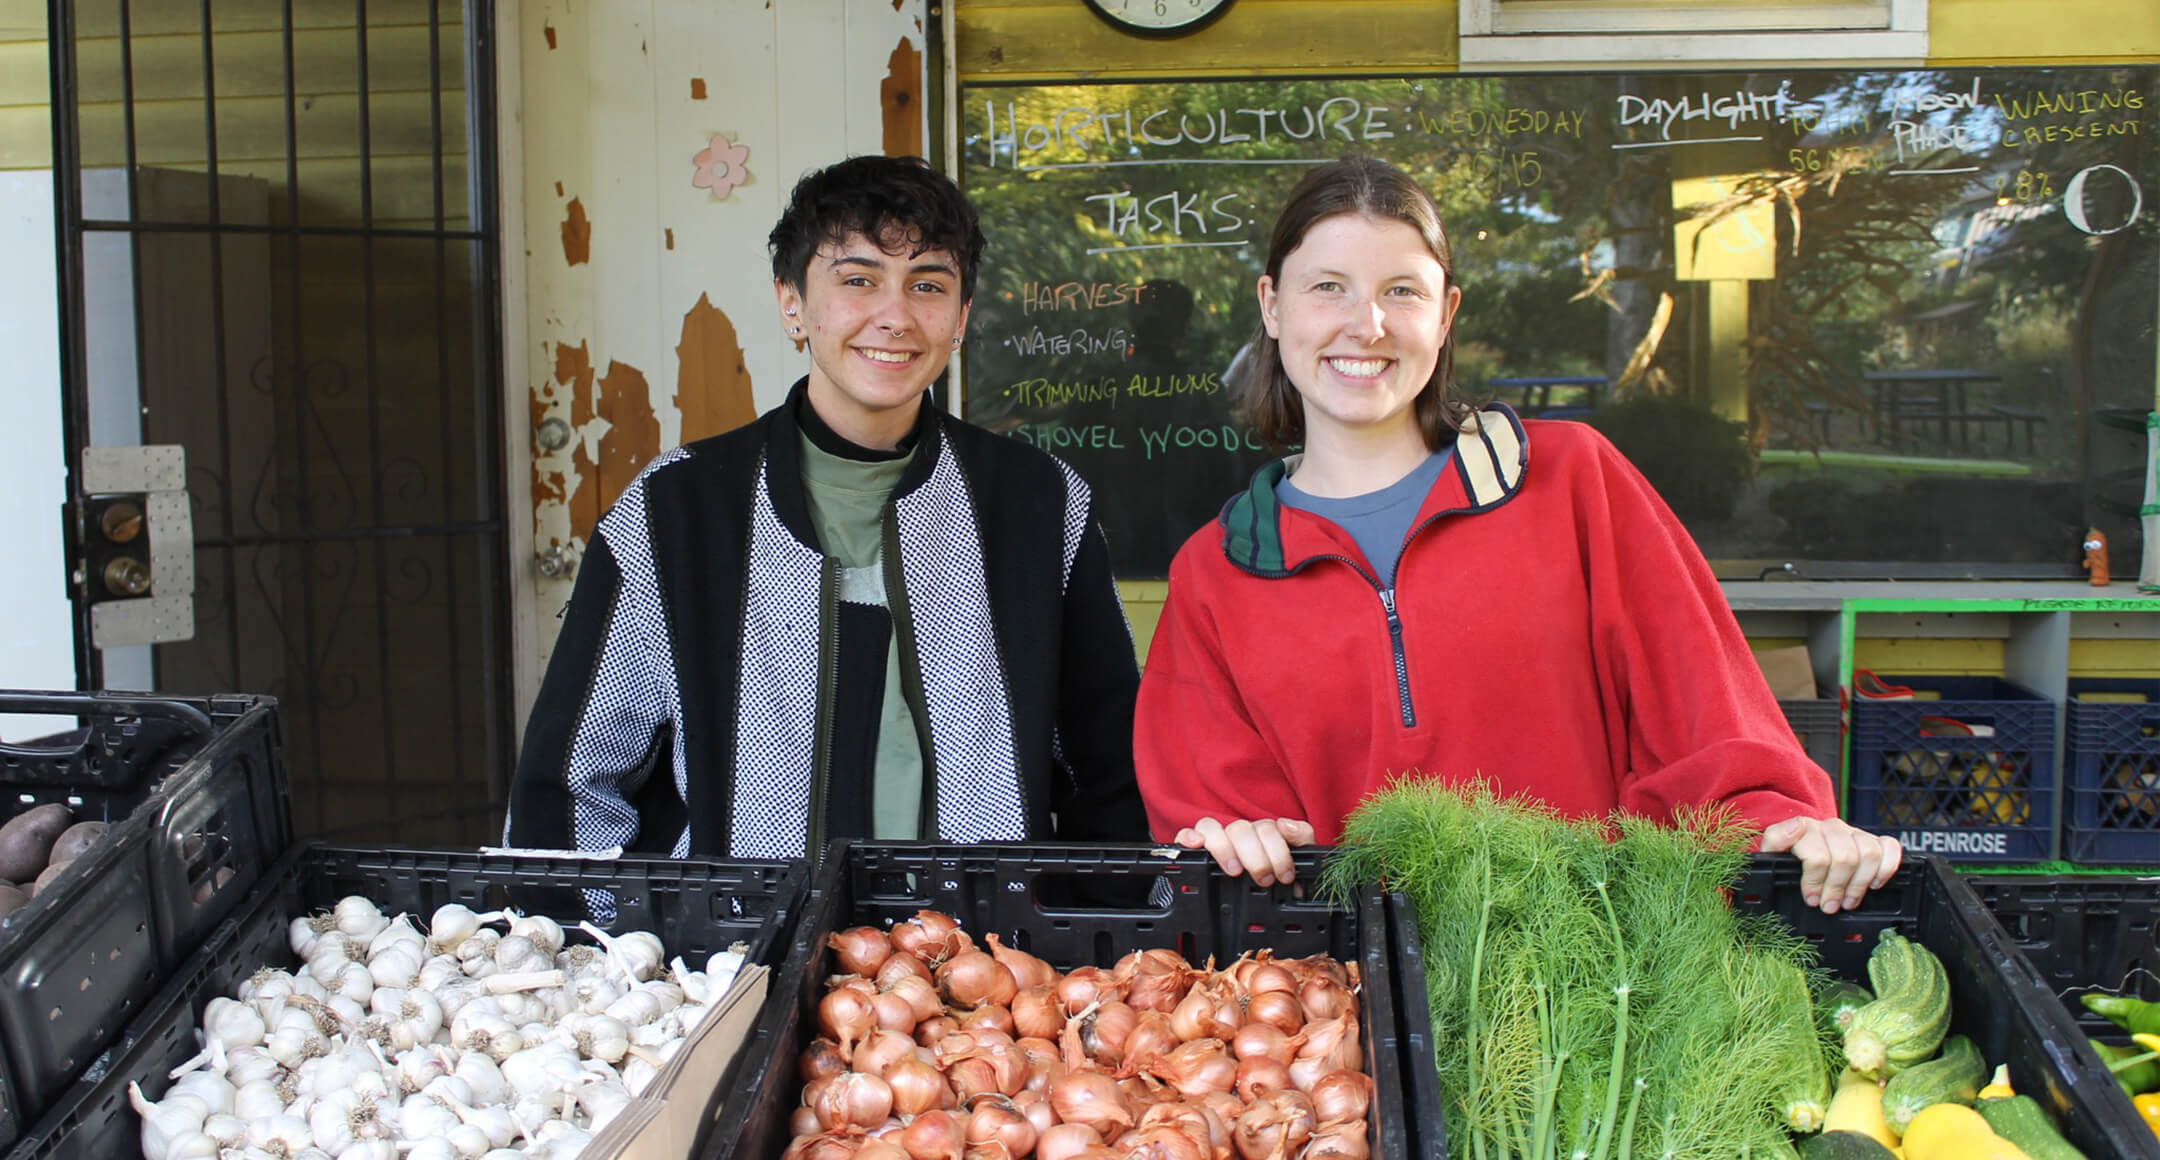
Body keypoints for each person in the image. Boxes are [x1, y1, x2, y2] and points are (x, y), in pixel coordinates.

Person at [1134, 156, 1900, 915]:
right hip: (1359, 1007)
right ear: (1273, 306)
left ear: (1447, 314)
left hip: (1603, 986)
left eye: (1402, 291)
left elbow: (1707, 713)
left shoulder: (1574, 482)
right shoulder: (1218, 571)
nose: (1365, 325)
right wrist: (1237, 841)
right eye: (1327, 287)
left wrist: (1786, 823)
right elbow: (1215, 820)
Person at [506, 154, 1148, 864]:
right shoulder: (679, 509)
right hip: (742, 955)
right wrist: (632, 952)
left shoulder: (1039, 503)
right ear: (792, 304)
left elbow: (1112, 773)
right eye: (858, 280)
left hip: (977, 954)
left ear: (961, 316)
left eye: (927, 284)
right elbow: (568, 785)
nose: (895, 316)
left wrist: (1087, 947)